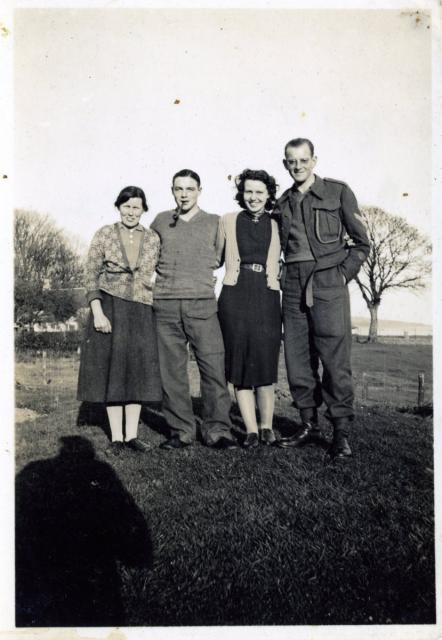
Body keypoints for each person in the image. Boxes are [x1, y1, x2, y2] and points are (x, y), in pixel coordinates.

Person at [274, 138, 370, 458]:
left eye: (303, 160)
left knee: (334, 359)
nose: (297, 166)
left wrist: (343, 274)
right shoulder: (283, 202)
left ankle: (341, 432)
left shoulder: (338, 192)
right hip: (292, 284)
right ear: (285, 163)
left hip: (328, 281)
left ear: (314, 160)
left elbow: (361, 243)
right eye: (291, 161)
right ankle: (308, 424)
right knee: (298, 359)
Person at [150, 169, 237, 450]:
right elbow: (149, 257)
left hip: (202, 304)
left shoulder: (215, 222)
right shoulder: (161, 221)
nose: (184, 194)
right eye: (179, 189)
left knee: (213, 368)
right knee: (172, 372)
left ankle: (218, 431)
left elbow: (220, 258)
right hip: (165, 304)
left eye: (190, 188)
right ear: (172, 190)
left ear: (200, 190)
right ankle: (181, 431)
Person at [77, 186, 162, 455]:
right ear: (118, 207)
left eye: (136, 207)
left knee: (136, 370)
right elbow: (90, 273)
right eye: (126, 206)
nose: (131, 212)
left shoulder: (152, 238)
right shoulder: (104, 234)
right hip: (110, 308)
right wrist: (98, 311)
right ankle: (116, 438)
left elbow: (159, 273)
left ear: (144, 209)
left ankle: (133, 435)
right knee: (113, 371)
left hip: (141, 310)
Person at [216, 169, 282, 448]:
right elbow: (215, 257)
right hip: (235, 294)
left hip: (266, 295)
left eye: (259, 192)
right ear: (241, 194)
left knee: (265, 360)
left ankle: (267, 426)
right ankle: (251, 430)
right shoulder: (228, 221)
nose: (253, 197)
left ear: (268, 196)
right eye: (249, 192)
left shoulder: (278, 223)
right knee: (240, 362)